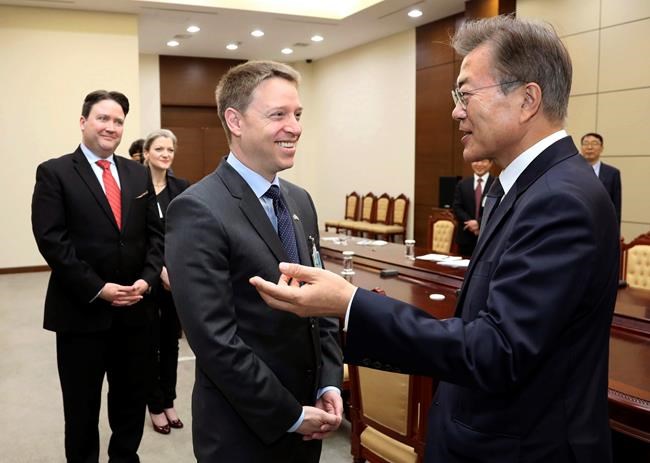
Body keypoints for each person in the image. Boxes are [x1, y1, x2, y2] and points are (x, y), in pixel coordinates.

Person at [250, 16, 619, 463]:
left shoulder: (561, 199)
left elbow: (497, 350)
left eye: (466, 94)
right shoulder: (526, 187)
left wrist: (351, 303)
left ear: (527, 99)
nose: (456, 110)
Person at [165, 61, 343, 462]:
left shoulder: (300, 200)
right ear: (235, 121)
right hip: (242, 429)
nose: (294, 127)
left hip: (308, 416)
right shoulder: (196, 210)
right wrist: (290, 414)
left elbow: (320, 304)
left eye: (297, 114)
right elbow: (214, 340)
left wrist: (329, 382)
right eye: (278, 115)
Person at [31, 90, 164, 462]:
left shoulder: (138, 173)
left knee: (130, 402)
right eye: (103, 118)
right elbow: (52, 241)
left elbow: (156, 234)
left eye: (118, 121)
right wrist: (98, 288)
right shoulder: (55, 172)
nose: (111, 127)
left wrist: (148, 279)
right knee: (81, 408)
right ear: (83, 122)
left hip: (136, 312)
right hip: (81, 312)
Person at [142, 129, 190, 435]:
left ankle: (169, 400)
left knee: (170, 343)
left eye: (170, 150)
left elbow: (184, 233)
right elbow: (135, 235)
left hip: (175, 278)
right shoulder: (135, 186)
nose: (165, 154)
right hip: (146, 275)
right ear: (146, 153)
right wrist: (157, 267)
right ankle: (154, 405)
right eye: (159, 148)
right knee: (149, 344)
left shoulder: (181, 188)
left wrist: (175, 269)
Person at [452, 159, 494, 256]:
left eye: (483, 161)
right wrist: (471, 224)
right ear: (471, 163)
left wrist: (479, 223)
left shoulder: (496, 184)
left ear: (490, 163)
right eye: (476, 161)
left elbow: (497, 209)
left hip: (487, 237)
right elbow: (457, 207)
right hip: (465, 237)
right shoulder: (462, 184)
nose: (479, 164)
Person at [580, 132, 621, 224]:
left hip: (603, 224)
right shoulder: (572, 172)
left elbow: (616, 206)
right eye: (586, 143)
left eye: (594, 143)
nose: (589, 147)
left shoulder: (613, 173)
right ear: (581, 148)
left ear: (601, 148)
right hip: (578, 223)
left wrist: (616, 232)